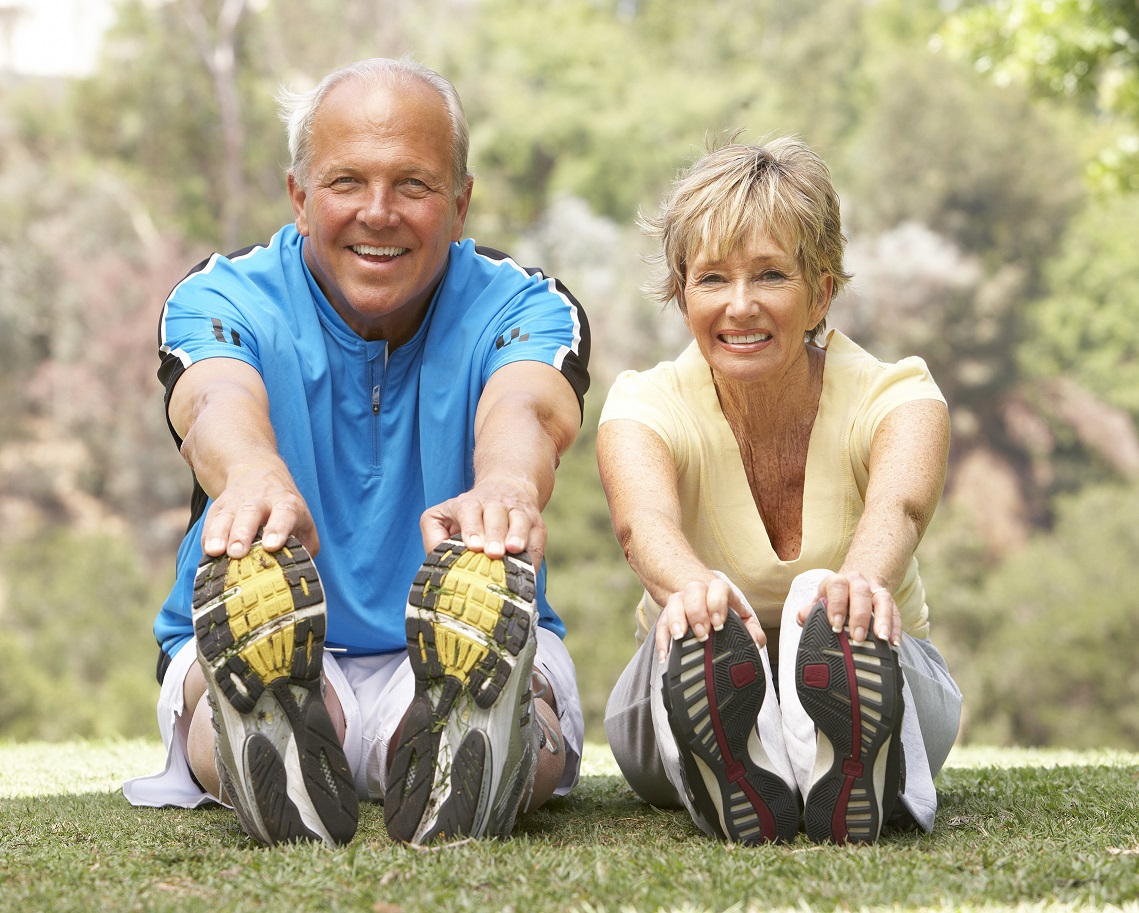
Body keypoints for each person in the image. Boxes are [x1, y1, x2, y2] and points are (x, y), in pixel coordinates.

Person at [122, 57, 590, 848]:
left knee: (522, 703)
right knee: (236, 699)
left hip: (465, 642)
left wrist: (506, 482)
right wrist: (252, 474)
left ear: (460, 202)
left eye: (413, 185)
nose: (379, 212)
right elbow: (212, 400)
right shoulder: (221, 295)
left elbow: (527, 405)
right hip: (285, 638)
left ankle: (488, 735)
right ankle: (264, 723)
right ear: (299, 197)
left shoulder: (524, 304)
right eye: (346, 183)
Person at [598, 136, 961, 845]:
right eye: (710, 280)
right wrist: (692, 587)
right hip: (676, 672)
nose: (739, 307)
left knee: (818, 598)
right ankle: (751, 751)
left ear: (820, 291)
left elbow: (900, 504)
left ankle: (840, 744)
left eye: (769, 275)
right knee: (700, 626)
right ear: (680, 292)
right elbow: (642, 526)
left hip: (892, 675)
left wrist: (854, 586)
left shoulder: (898, 394)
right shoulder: (643, 404)